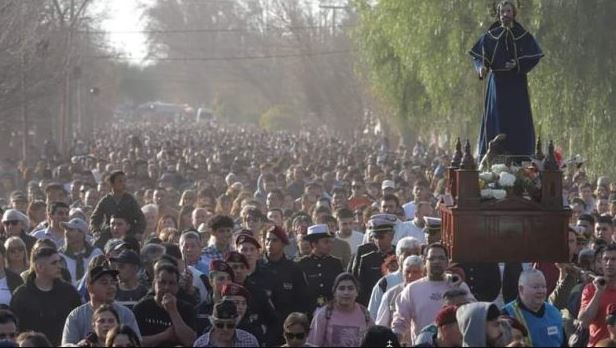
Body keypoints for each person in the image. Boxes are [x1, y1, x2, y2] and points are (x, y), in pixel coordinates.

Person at [470, 0, 543, 158]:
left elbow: (534, 56)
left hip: (516, 83)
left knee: (517, 119)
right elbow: (479, 57)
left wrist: (518, 64)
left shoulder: (522, 35)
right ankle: (492, 155)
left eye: (508, 11)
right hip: (496, 84)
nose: (505, 15)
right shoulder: (490, 36)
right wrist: (481, 67)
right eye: (502, 12)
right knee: (496, 117)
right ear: (498, 13)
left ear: (514, 13)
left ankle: (520, 156)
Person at [391, 243, 475, 344]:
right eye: (432, 258)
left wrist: (458, 293)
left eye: (441, 258)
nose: (436, 262)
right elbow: (400, 322)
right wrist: (393, 342)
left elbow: (473, 314)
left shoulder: (458, 284)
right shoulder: (412, 289)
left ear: (447, 262)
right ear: (424, 261)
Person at [10, 247, 81, 345]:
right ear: (39, 267)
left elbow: (78, 323)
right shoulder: (21, 295)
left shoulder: (69, 292)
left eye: (59, 262)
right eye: (54, 263)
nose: (59, 266)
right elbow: (15, 329)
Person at [62, 265, 141, 345]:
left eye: (113, 282)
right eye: (104, 283)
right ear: (90, 288)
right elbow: (67, 345)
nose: (111, 287)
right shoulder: (76, 316)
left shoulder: (126, 314)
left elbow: (137, 343)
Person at [132, 263, 196, 346]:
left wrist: (173, 311)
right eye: (162, 282)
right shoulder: (141, 307)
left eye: (171, 283)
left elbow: (190, 341)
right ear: (154, 284)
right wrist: (164, 335)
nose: (167, 287)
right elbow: (135, 342)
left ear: (177, 286)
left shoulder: (187, 309)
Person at [306, 272, 374, 347]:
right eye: (341, 288)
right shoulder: (324, 315)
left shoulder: (365, 315)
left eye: (350, 288)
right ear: (334, 292)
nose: (346, 292)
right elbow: (313, 344)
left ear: (357, 292)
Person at [502, 269, 564, 347]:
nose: (541, 291)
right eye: (536, 287)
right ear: (521, 289)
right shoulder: (507, 314)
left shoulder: (555, 313)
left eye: (544, 286)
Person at [261, 225, 308, 321]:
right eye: (268, 240)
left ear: (283, 244)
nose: (270, 243)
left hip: (287, 324)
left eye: (275, 240)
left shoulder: (293, 269)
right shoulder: (257, 267)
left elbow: (302, 300)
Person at [368, 236, 422, 320]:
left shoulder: (426, 282)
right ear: (397, 258)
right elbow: (372, 315)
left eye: (416, 254)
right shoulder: (385, 283)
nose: (412, 258)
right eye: (407, 254)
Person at [350, 213, 397, 306]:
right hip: (371, 305)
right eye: (375, 237)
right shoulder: (366, 259)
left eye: (381, 237)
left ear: (391, 235)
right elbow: (358, 285)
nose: (378, 241)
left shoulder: (399, 256)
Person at [296, 224, 344, 314]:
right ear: (314, 244)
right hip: (309, 312)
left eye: (330, 241)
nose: (329, 245)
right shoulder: (302, 264)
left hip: (333, 312)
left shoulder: (336, 263)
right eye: (325, 242)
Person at [90, 171, 146, 240]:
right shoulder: (106, 200)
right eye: (120, 181)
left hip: (128, 235)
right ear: (112, 184)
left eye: (124, 181)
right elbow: (94, 219)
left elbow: (141, 219)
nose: (123, 183)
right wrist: (96, 231)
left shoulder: (130, 200)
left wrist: (139, 232)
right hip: (109, 234)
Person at [579, 243, 616, 346]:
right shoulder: (591, 289)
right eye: (606, 259)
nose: (609, 263)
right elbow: (584, 322)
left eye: (614, 259)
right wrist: (598, 292)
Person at [375, 255, 424, 326]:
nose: (410, 276)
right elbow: (381, 325)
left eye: (415, 272)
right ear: (402, 273)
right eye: (407, 272)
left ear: (422, 273)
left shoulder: (429, 293)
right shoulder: (390, 295)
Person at [193, 299, 259, 347]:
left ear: (236, 322)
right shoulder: (200, 344)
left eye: (230, 325)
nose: (225, 329)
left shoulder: (250, 341)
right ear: (213, 323)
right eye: (220, 325)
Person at [60, 217, 103, 285]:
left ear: (81, 234)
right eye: (66, 229)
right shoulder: (60, 256)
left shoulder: (96, 253)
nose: (66, 233)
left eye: (70, 230)